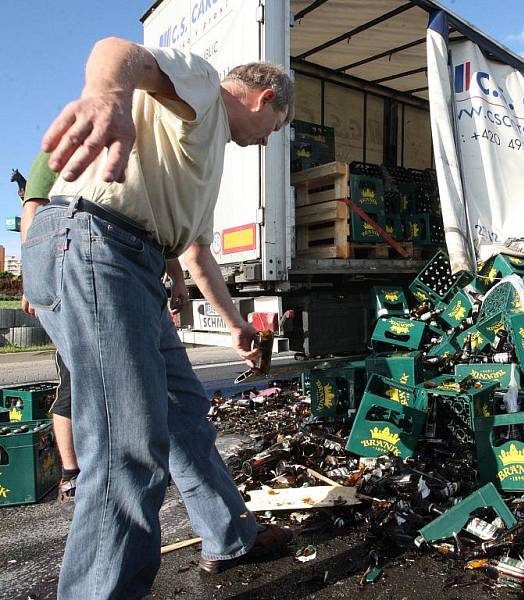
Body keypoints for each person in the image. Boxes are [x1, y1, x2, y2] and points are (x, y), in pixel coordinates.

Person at [22, 37, 294, 599]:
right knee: (128, 442)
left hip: (125, 261)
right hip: (98, 245)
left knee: (184, 409)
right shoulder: (205, 87)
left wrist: (237, 324)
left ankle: (230, 535)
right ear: (266, 97)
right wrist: (106, 98)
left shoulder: (202, 146)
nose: (270, 139)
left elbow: (195, 254)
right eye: (277, 125)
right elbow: (119, 52)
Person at [20, 153, 190, 510]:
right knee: (80, 388)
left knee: (161, 396)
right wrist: (33, 278)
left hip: (133, 271)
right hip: (77, 266)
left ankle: (226, 530)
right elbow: (33, 210)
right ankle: (72, 474)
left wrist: (175, 276)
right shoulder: (65, 147)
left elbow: (154, 225)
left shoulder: (126, 160)